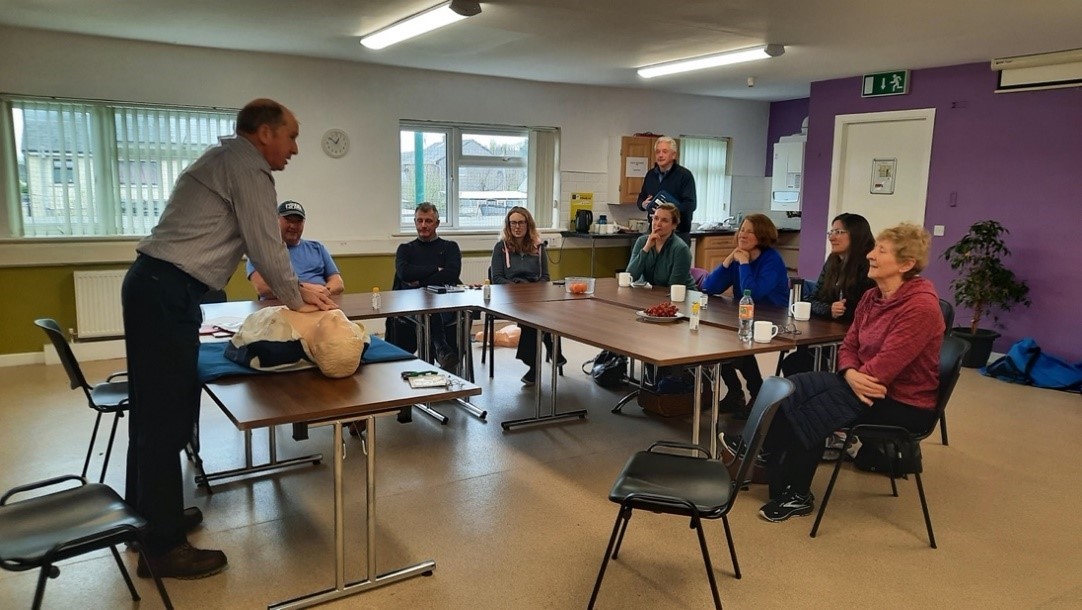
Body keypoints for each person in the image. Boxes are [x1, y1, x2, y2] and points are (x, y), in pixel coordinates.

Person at [121, 98, 337, 580]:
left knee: (159, 411)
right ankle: (161, 546)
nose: (295, 148)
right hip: (164, 292)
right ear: (265, 133)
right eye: (292, 135)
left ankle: (149, 519)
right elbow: (265, 242)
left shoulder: (226, 159)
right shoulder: (248, 166)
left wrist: (296, 289)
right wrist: (296, 301)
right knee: (164, 418)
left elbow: (265, 249)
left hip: (157, 288)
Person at [750, 223, 943, 522]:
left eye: (881, 250)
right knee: (793, 386)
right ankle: (769, 463)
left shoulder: (921, 308)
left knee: (816, 408)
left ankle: (795, 492)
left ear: (906, 264)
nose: (870, 255)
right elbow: (849, 343)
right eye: (874, 247)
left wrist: (851, 376)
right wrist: (849, 372)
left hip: (904, 402)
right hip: (864, 384)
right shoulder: (871, 297)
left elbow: (887, 365)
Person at [701, 213, 790, 416]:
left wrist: (743, 264)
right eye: (742, 229)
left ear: (762, 235)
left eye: (750, 231)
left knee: (734, 347)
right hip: (744, 315)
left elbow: (754, 292)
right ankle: (735, 393)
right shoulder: (739, 255)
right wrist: (728, 261)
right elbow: (709, 287)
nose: (743, 234)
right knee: (717, 342)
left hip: (772, 317)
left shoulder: (771, 260)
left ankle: (757, 394)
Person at [780, 213, 876, 376]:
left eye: (838, 232)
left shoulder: (868, 268)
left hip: (854, 341)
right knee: (796, 361)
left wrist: (841, 311)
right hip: (826, 333)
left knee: (798, 364)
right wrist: (829, 309)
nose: (832, 237)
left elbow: (867, 312)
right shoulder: (832, 262)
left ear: (856, 234)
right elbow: (810, 300)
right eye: (831, 232)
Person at [490, 206, 563, 385]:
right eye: (513, 223)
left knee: (544, 314)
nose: (517, 227)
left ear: (527, 224)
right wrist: (517, 290)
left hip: (535, 293)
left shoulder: (538, 247)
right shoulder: (501, 247)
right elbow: (496, 277)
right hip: (510, 295)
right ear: (508, 225)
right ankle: (549, 346)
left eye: (521, 222)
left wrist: (534, 290)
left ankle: (534, 367)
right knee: (532, 318)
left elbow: (545, 276)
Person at [391, 202, 463, 371]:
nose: (423, 225)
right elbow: (404, 274)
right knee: (427, 309)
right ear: (415, 222)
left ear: (437, 224)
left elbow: (452, 274)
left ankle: (442, 353)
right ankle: (442, 350)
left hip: (445, 304)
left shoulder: (450, 247)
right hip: (410, 308)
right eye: (419, 221)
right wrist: (434, 270)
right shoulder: (405, 249)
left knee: (431, 309)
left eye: (428, 221)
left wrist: (420, 281)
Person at [247, 200, 344, 300]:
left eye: (298, 221)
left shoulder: (317, 247)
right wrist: (305, 291)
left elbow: (337, 283)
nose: (293, 226)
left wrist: (321, 294)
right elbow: (263, 288)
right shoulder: (260, 250)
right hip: (280, 307)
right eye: (288, 220)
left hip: (320, 304)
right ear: (275, 220)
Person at [636, 136, 697, 244]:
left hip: (678, 234)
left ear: (673, 155)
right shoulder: (650, 175)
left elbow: (690, 205)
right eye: (658, 152)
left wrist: (666, 211)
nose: (660, 155)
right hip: (655, 232)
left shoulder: (684, 176)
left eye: (665, 151)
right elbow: (641, 198)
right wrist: (643, 204)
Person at [625, 202, 697, 290]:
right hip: (656, 295)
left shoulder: (681, 249)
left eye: (664, 220)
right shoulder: (642, 241)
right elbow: (630, 277)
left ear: (674, 225)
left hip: (682, 297)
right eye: (656, 218)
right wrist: (646, 248)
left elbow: (673, 288)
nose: (658, 224)